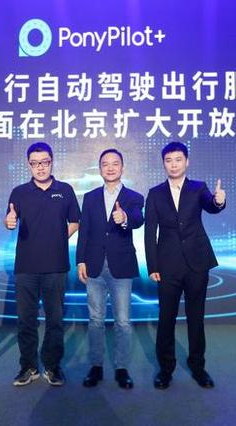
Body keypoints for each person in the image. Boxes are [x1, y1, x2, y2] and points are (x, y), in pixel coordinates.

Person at [144, 142, 226, 390]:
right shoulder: (155, 193)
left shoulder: (198, 188)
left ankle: (198, 367)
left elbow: (211, 206)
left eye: (178, 159)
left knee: (196, 318)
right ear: (164, 163)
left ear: (187, 162)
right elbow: (150, 232)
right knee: (166, 318)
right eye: (169, 160)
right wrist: (153, 265)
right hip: (167, 265)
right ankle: (165, 369)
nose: (174, 164)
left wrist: (219, 201)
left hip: (197, 263)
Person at [5, 142, 80, 387]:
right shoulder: (19, 192)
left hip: (56, 266)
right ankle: (28, 367)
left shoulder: (65, 190)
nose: (40, 167)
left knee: (55, 320)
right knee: (25, 320)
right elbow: (10, 220)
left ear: (51, 162)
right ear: (29, 165)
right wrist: (9, 222)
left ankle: (52, 366)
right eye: (35, 163)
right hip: (26, 267)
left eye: (45, 162)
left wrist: (57, 239)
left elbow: (75, 221)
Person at [76, 148, 144, 389]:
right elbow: (84, 231)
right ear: (100, 169)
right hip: (94, 266)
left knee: (122, 321)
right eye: (105, 164)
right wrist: (80, 260)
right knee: (95, 320)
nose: (111, 167)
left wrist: (124, 219)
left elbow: (138, 219)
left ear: (122, 167)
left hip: (121, 266)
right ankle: (96, 365)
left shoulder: (134, 197)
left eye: (115, 163)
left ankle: (122, 367)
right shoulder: (90, 197)